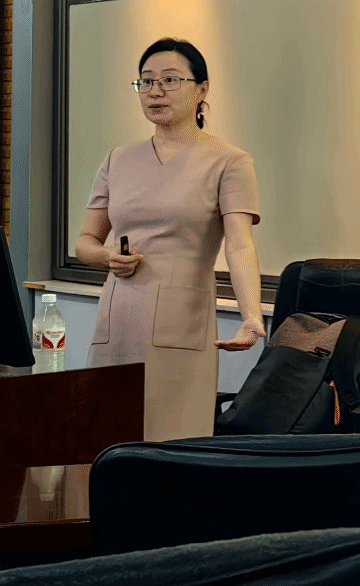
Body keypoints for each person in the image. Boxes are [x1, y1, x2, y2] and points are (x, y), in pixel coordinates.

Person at [75, 38, 266, 441]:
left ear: (201, 89)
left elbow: (239, 244)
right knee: (104, 443)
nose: (155, 91)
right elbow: (86, 241)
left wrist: (251, 316)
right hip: (118, 319)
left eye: (169, 80)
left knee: (172, 444)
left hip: (182, 321)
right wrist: (107, 256)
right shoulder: (118, 159)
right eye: (145, 82)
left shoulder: (229, 161)